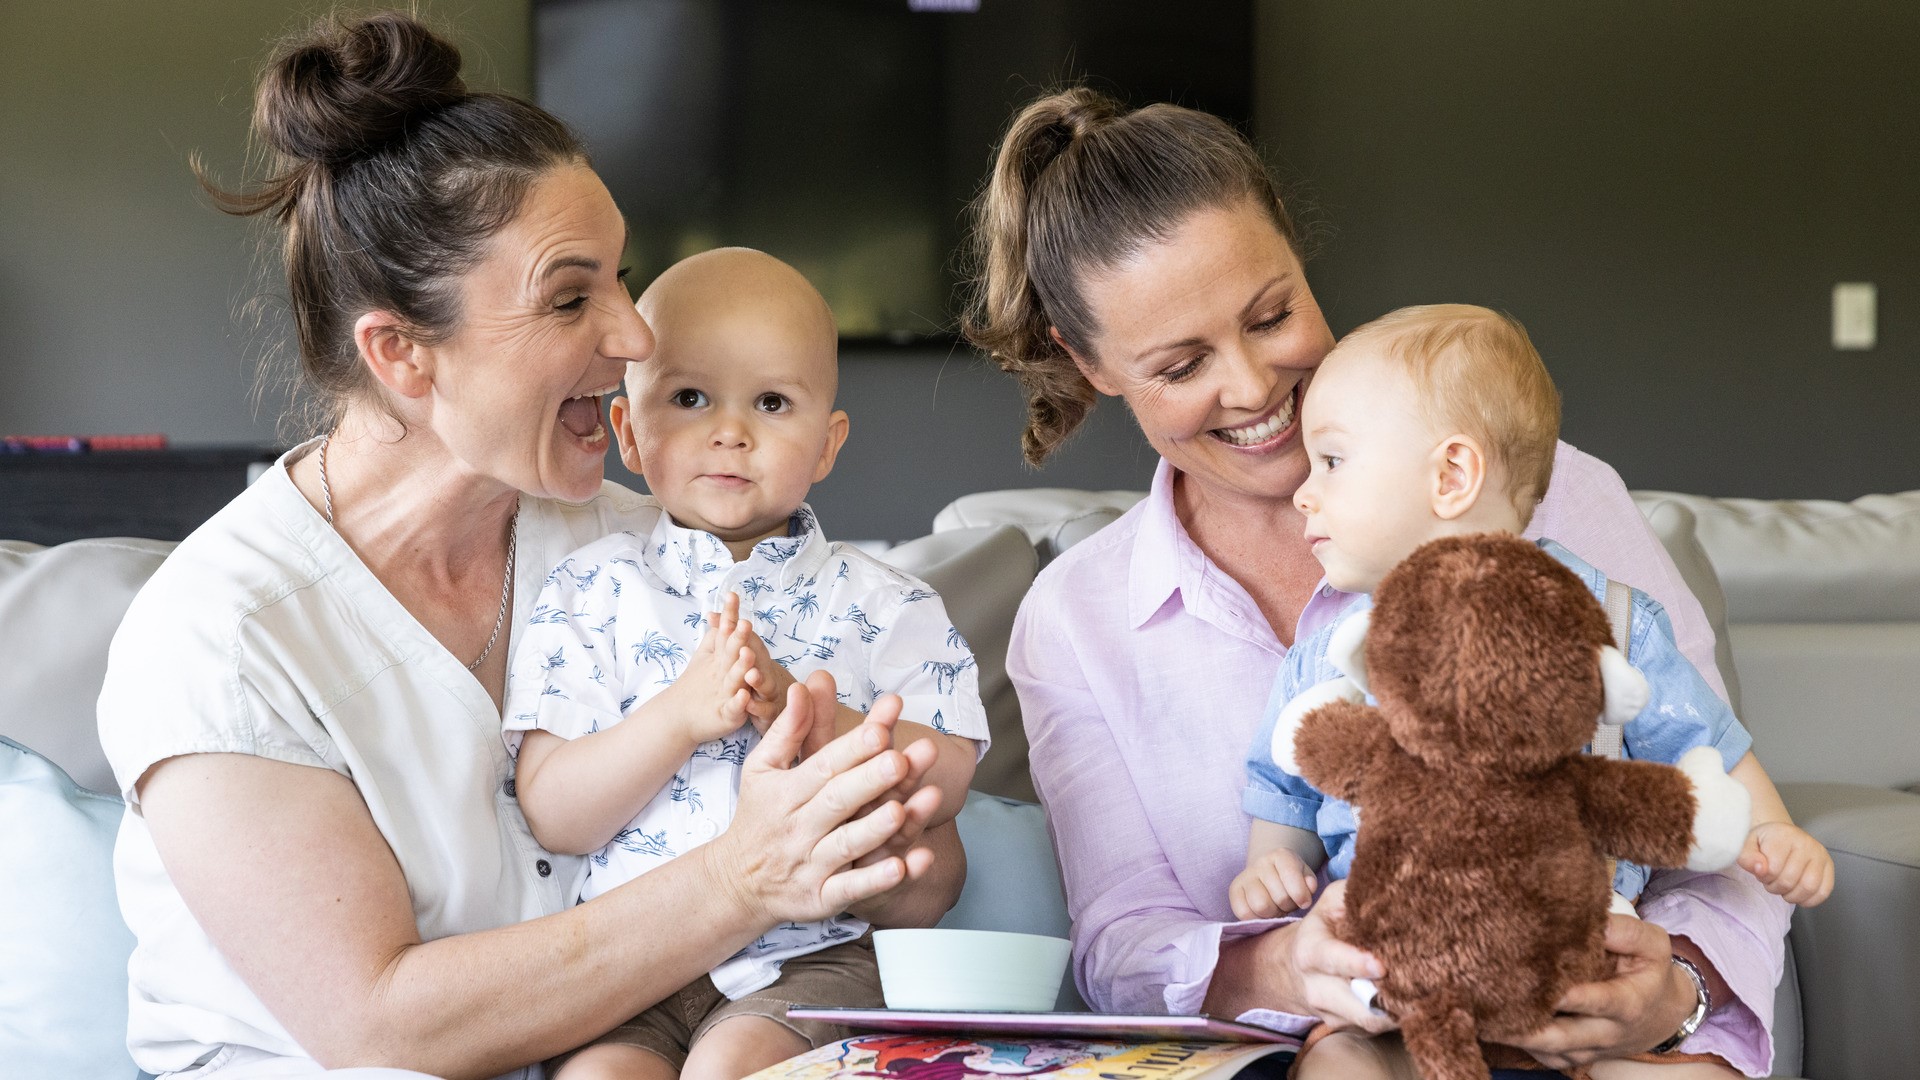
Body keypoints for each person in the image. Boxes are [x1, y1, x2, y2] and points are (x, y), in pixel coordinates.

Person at [96, 15, 961, 1080]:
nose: (637, 336)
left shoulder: (657, 551)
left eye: (620, 277)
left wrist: (892, 838)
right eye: (571, 297)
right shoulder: (220, 637)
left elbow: (897, 861)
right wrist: (742, 878)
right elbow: (380, 1028)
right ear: (403, 354)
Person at [963, 87, 1793, 1079]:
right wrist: (1284, 966)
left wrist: (1674, 992)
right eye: (1183, 365)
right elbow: (1121, 941)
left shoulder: (1550, 493)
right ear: (1087, 361)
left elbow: (1720, 804)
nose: (1255, 385)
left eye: (1273, 315)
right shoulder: (1079, 618)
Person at [506, 248, 987, 1080]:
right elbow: (555, 811)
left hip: (813, 956)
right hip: (630, 961)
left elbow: (947, 776)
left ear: (827, 444)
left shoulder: (888, 604)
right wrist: (680, 714)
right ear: (628, 431)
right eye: (690, 398)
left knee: (735, 1068)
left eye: (771, 401)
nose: (731, 431)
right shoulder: (589, 592)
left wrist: (804, 713)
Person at [1234, 304, 1834, 929]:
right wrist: (1273, 863)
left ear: (1452, 475)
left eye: (1330, 461)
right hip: (1391, 933)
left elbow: (1704, 745)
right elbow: (1289, 789)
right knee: (1348, 1028)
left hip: (1570, 929)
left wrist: (1771, 832)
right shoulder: (1327, 655)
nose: (1303, 493)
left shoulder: (1608, 623)